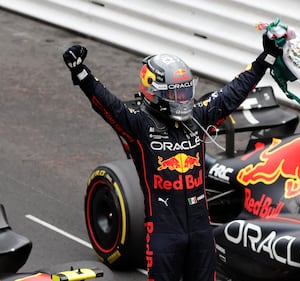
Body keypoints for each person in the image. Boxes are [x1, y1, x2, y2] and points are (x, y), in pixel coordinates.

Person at [63, 32, 281, 281]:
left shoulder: (198, 118)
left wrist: (268, 57)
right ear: (154, 93)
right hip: (164, 236)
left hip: (201, 232)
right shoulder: (138, 125)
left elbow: (235, 91)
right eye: (176, 93)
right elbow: (107, 104)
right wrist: (81, 74)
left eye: (186, 91)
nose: (183, 99)